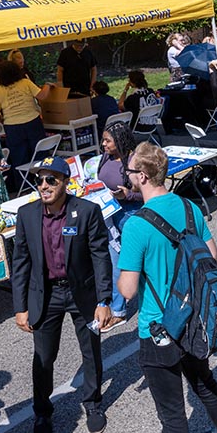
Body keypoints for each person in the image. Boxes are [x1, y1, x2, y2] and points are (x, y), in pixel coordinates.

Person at [117, 143, 217, 433]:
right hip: (194, 317)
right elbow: (212, 254)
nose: (127, 177)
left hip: (158, 326)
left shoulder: (137, 225)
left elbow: (126, 290)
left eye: (128, 172)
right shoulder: (188, 207)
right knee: (203, 381)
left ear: (141, 176)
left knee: (172, 414)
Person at [11, 156, 113, 433]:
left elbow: (100, 256)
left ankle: (93, 403)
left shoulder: (87, 211)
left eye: (51, 180)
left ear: (65, 183)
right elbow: (20, 262)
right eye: (39, 180)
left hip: (82, 292)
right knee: (43, 357)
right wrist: (20, 307)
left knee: (91, 351)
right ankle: (42, 412)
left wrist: (104, 300)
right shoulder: (27, 214)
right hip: (46, 295)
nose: (44, 185)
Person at [80, 121, 141, 332]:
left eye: (108, 140)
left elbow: (148, 191)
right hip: (107, 215)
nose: (103, 144)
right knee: (114, 262)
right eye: (103, 140)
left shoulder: (135, 160)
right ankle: (118, 311)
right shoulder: (106, 156)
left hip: (130, 215)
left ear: (121, 141)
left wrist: (128, 195)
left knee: (138, 260)